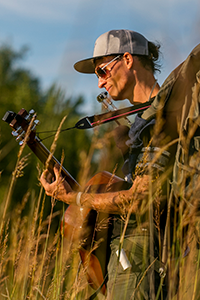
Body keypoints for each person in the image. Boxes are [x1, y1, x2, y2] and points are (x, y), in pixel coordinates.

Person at [40, 29, 177, 299]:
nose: (100, 84)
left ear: (127, 59)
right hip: (137, 259)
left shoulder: (160, 119)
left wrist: (74, 196)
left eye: (102, 72)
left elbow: (138, 201)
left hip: (141, 262)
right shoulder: (142, 121)